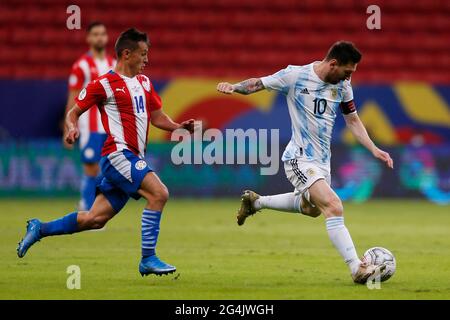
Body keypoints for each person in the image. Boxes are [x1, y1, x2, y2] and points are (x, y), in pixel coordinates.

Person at [18, 28, 195, 277]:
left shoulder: (144, 82)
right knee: (159, 193)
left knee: (94, 219)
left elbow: (157, 117)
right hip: (118, 155)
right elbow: (74, 112)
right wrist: (70, 128)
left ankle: (40, 228)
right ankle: (148, 258)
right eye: (143, 54)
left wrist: (178, 127)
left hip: (133, 157)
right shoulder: (103, 84)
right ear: (126, 54)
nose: (147, 59)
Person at [216, 41, 393, 284]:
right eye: (348, 71)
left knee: (312, 209)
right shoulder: (295, 76)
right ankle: (356, 268)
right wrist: (233, 87)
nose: (349, 77)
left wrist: (374, 148)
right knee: (333, 205)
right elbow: (258, 83)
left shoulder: (343, 87)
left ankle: (256, 203)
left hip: (322, 161)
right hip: (298, 158)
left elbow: (352, 120)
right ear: (333, 64)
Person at [65, 21, 116, 211]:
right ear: (88, 38)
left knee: (108, 169)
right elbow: (73, 98)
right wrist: (68, 126)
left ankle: (97, 210)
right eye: (95, 34)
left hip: (111, 126)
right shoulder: (81, 66)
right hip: (90, 126)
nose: (99, 37)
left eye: (102, 34)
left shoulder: (115, 64)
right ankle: (86, 209)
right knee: (91, 167)